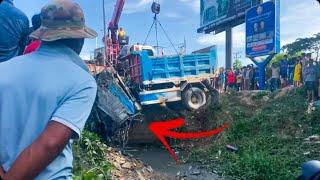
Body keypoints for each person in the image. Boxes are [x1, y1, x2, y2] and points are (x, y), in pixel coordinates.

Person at [0, 1, 98, 179]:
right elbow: (50, 143)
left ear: (43, 35)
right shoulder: (82, 82)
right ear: (80, 39)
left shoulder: (4, 69)